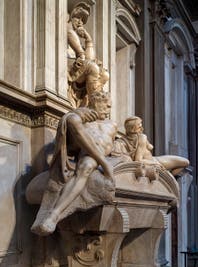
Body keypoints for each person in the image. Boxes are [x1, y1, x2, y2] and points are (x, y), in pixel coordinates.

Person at [28, 91, 117, 236]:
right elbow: (70, 138)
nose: (108, 110)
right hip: (86, 154)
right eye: (106, 106)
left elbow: (115, 146)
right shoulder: (84, 117)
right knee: (72, 121)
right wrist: (75, 115)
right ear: (95, 102)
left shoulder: (112, 124)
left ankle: (54, 214)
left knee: (87, 166)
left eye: (110, 107)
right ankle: (53, 216)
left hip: (97, 158)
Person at [112, 116, 189, 175]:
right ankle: (167, 176)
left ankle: (169, 176)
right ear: (133, 128)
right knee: (185, 162)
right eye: (139, 125)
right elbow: (138, 160)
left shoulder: (124, 140)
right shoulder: (142, 138)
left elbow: (150, 147)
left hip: (153, 160)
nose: (142, 127)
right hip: (154, 161)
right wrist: (155, 164)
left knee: (184, 163)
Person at [67, 2, 109, 107]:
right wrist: (81, 55)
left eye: (83, 20)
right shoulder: (69, 31)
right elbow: (83, 57)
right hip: (67, 69)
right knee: (93, 68)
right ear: (71, 16)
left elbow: (89, 58)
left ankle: (93, 102)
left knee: (105, 75)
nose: (80, 23)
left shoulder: (77, 37)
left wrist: (88, 39)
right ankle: (95, 105)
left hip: (77, 71)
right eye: (78, 18)